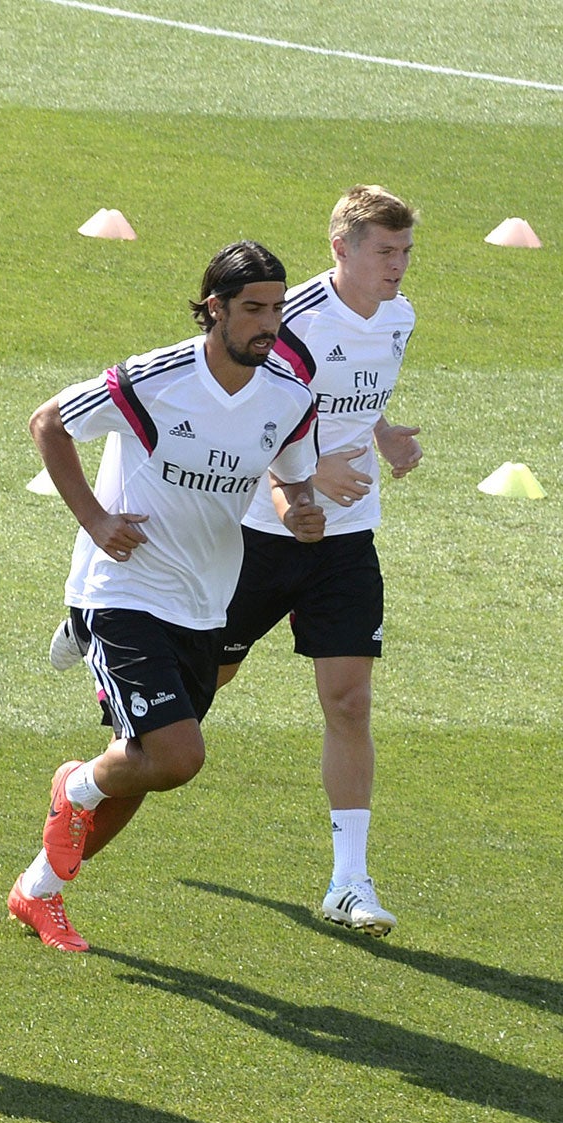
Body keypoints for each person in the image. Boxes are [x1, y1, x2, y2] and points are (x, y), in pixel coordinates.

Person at [8, 242, 321, 953]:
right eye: (252, 310)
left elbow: (291, 477)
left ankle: (37, 891)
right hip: (122, 591)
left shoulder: (290, 394)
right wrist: (94, 518)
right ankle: (74, 789)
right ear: (214, 308)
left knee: (142, 772)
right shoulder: (155, 378)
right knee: (176, 755)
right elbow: (47, 422)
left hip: (206, 601)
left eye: (277, 309)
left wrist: (299, 507)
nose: (268, 324)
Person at [214, 187, 420, 935]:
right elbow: (239, 416)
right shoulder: (292, 321)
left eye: (405, 253)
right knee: (206, 684)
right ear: (342, 249)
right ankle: (104, 634)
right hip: (262, 534)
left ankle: (348, 881)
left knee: (349, 701)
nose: (398, 267)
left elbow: (352, 400)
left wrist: (385, 433)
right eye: (384, 252)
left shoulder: (399, 317)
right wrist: (303, 479)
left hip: (348, 537)